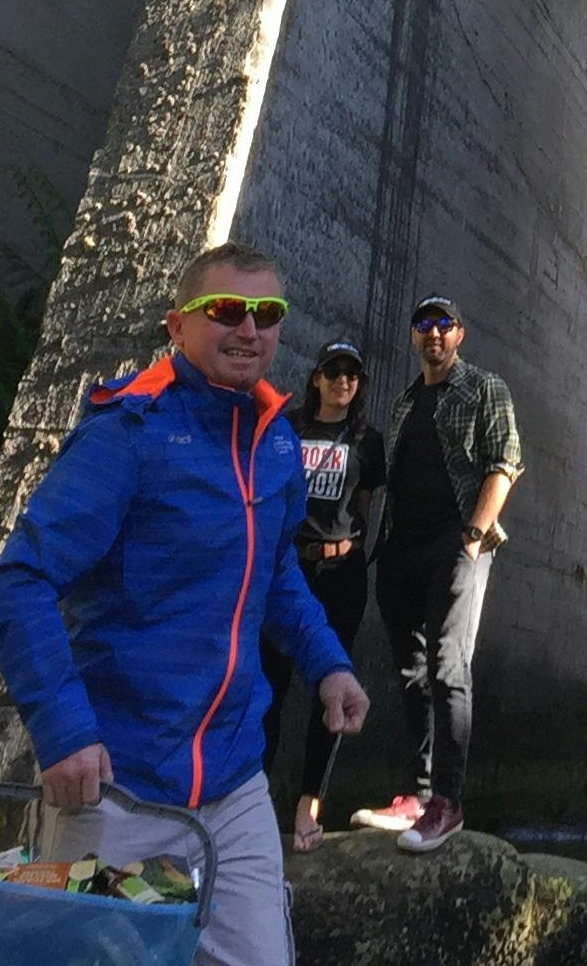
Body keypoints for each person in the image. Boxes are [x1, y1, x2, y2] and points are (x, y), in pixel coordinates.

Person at [0, 243, 371, 966]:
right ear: (177, 325)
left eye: (267, 313)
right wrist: (62, 732)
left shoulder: (276, 442)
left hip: (232, 783)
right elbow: (17, 583)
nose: (249, 329)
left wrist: (328, 665)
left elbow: (277, 573)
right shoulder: (128, 435)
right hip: (120, 790)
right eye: (226, 311)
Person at [350, 294, 520, 854]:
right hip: (402, 552)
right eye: (424, 325)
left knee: (449, 666)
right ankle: (415, 797)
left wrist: (473, 538)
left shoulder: (484, 388)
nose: (434, 334)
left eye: (444, 325)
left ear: (459, 334)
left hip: (457, 546)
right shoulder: (404, 402)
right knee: (412, 672)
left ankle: (447, 802)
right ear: (413, 336)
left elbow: (504, 465)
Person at [265, 341, 386, 852]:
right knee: (267, 686)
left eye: (352, 374)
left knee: (330, 691)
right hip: (289, 565)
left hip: (342, 570)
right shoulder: (286, 429)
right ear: (316, 377)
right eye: (334, 371)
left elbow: (364, 503)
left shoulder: (367, 440)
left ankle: (307, 808)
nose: (343, 381)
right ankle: (251, 799)